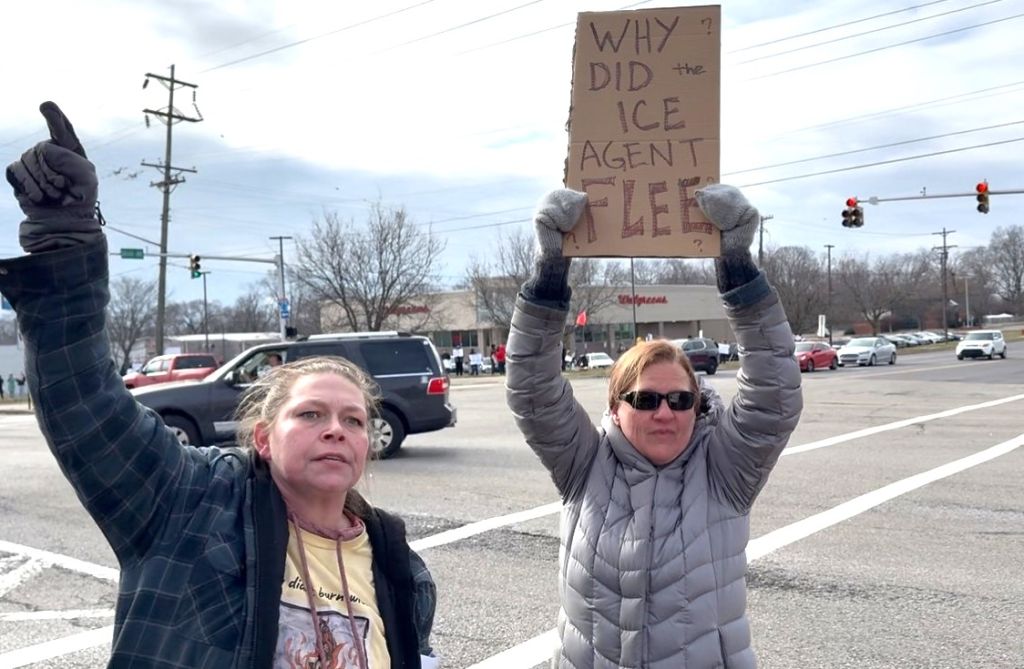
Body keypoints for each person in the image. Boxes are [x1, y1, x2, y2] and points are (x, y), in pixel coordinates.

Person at [1, 102, 436, 668]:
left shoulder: (401, 565)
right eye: (309, 415)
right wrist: (67, 240)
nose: (335, 429)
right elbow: (85, 403)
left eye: (352, 420)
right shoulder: (190, 504)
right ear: (262, 438)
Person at [506, 186, 802, 668]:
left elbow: (774, 392)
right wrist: (550, 270)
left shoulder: (725, 470)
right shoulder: (584, 463)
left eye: (681, 399)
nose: (665, 413)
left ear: (697, 404)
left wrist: (737, 267)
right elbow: (532, 390)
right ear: (616, 406)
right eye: (645, 399)